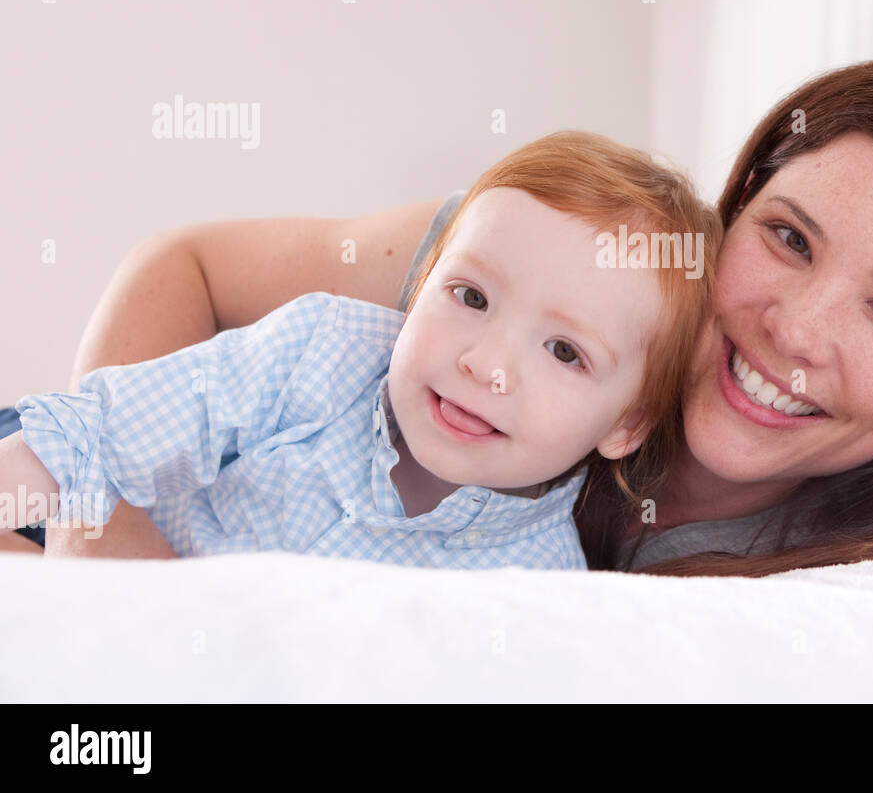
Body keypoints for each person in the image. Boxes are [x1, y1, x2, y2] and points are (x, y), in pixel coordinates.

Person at [4, 56, 873, 576]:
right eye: (787, 237)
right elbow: (186, 263)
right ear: (725, 214)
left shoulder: (859, 586)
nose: (795, 327)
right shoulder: (527, 269)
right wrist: (115, 555)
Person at [0, 131, 719, 568]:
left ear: (628, 424)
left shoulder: (535, 586)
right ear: (422, 278)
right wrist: (87, 538)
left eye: (565, 351)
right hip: (99, 506)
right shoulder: (321, 351)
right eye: (469, 297)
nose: (485, 365)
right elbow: (91, 431)